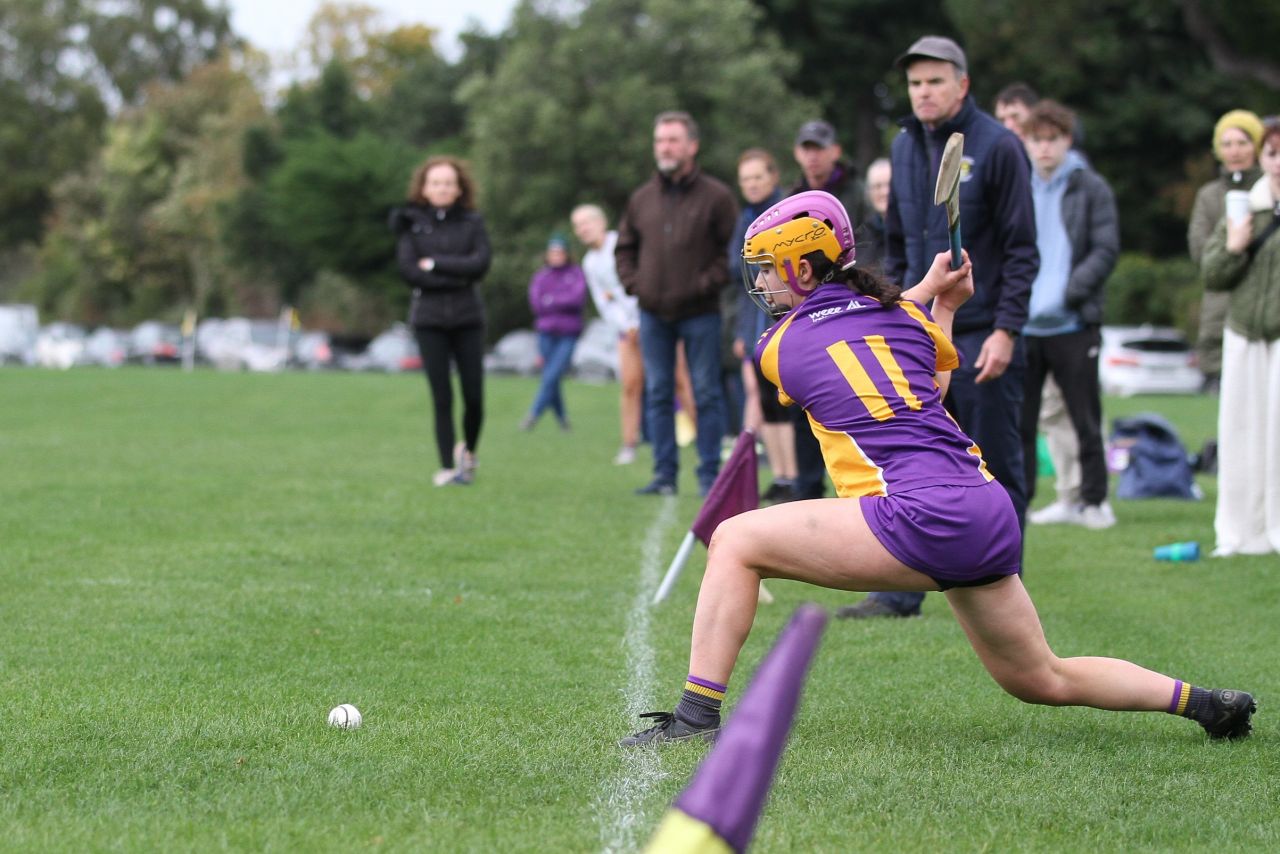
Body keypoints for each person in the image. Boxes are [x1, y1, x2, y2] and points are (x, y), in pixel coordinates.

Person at [620, 190, 1255, 747]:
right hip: (983, 506)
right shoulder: (902, 316)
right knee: (1039, 678)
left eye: (770, 271)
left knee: (735, 539)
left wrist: (931, 295)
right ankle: (1203, 703)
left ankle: (695, 717)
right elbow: (926, 376)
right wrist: (936, 299)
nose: (763, 285)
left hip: (914, 512)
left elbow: (850, 339)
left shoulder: (778, 348)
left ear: (805, 268)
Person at [840, 35, 1038, 619]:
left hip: (983, 332)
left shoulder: (1000, 147)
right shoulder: (903, 147)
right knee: (912, 463)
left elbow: (1023, 250)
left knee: (997, 463)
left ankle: (1006, 591)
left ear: (962, 85)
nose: (923, 92)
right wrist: (890, 313)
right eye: (915, 83)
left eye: (934, 81)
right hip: (916, 330)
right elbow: (898, 245)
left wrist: (1006, 330)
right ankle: (899, 592)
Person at [616, 111, 740, 497]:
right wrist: (635, 284)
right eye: (659, 141)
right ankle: (664, 475)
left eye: (672, 140)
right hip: (653, 312)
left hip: (701, 312)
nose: (665, 148)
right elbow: (624, 248)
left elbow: (733, 252)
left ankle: (708, 475)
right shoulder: (642, 199)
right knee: (657, 392)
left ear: (691, 145)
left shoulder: (717, 197)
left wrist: (703, 284)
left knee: (705, 392)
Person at [1017, 100, 1119, 529]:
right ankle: (1017, 502)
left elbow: (1105, 248)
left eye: (1051, 140)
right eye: (1036, 140)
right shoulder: (1017, 185)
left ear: (1067, 141)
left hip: (1074, 322)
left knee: (1084, 418)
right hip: (1022, 324)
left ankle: (1093, 500)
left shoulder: (1090, 187)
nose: (1043, 148)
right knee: (1020, 424)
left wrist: (1069, 292)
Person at [1201, 118, 1280, 556]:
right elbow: (1213, 273)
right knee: (1241, 432)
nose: (1278, 162)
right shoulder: (1246, 205)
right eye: (1272, 153)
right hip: (1245, 334)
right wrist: (1234, 245)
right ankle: (1240, 530)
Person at [390, 155, 491, 487]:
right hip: (430, 320)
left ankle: (470, 450)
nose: (442, 188)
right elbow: (408, 272)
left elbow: (480, 264)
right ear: (424, 188)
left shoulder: (473, 223)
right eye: (436, 183)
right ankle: (447, 466)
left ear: (459, 188)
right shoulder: (411, 223)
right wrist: (454, 275)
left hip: (467, 318)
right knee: (442, 396)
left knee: (474, 396)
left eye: (448, 182)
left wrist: (434, 264)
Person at [787, 119, 872, 501]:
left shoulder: (857, 195)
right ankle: (806, 490)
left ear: (835, 151)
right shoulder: (791, 200)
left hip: (850, 315)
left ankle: (859, 489)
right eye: (806, 147)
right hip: (804, 319)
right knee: (803, 406)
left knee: (849, 404)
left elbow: (870, 251)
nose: (812, 155)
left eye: (819, 147)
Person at [730, 148, 796, 502]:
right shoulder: (744, 218)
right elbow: (737, 275)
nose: (752, 184)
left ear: (773, 176)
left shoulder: (785, 212)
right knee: (762, 398)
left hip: (783, 318)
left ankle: (796, 474)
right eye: (745, 179)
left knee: (783, 397)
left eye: (758, 177)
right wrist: (742, 330)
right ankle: (781, 474)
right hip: (753, 319)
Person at [1189, 110, 1265, 395]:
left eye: (1243, 142)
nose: (1234, 151)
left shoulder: (1269, 192)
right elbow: (1201, 253)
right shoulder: (1209, 196)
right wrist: (1231, 249)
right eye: (1227, 143)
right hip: (1219, 313)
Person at [571, 204, 645, 464]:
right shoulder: (589, 262)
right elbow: (604, 302)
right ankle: (629, 444)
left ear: (600, 222)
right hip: (625, 330)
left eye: (585, 223)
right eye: (577, 226)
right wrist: (627, 327)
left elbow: (640, 281)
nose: (582, 229)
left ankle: (705, 439)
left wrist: (639, 319)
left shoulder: (622, 244)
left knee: (680, 381)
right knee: (629, 385)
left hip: (650, 319)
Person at [520, 234, 587, 433]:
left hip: (568, 332)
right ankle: (563, 420)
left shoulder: (576, 273)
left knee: (552, 374)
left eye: (560, 252)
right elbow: (536, 303)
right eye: (553, 252)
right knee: (552, 376)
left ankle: (533, 414)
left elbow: (577, 299)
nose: (556, 256)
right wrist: (559, 300)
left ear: (566, 254)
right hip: (546, 332)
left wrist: (552, 300)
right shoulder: (541, 276)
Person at [861, 157, 892, 271]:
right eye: (877, 186)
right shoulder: (862, 235)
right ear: (868, 192)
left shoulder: (912, 234)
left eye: (889, 185)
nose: (885, 192)